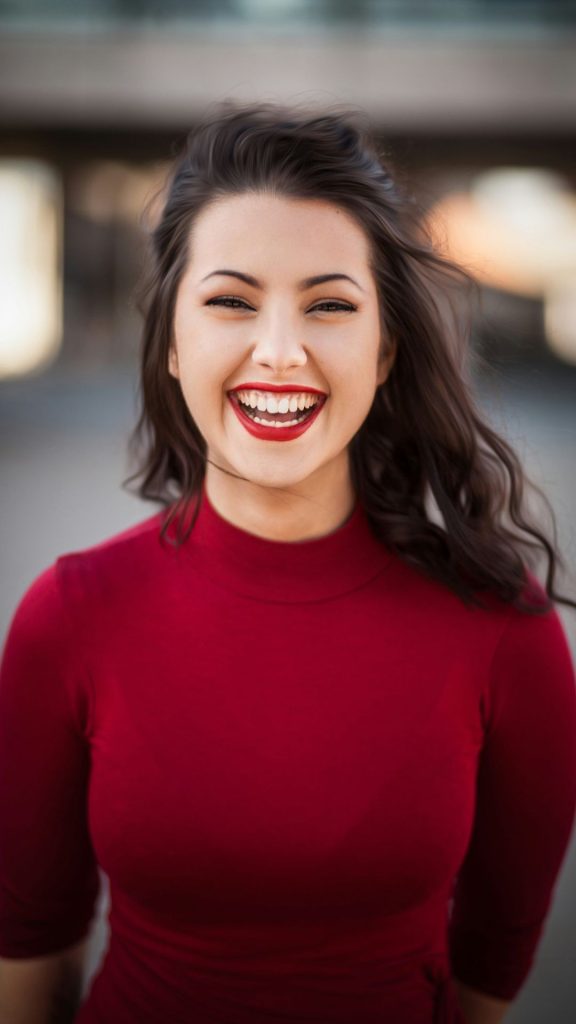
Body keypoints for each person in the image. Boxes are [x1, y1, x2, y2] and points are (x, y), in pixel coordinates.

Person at [1, 102, 575, 1024]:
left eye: (331, 306)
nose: (279, 352)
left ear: (385, 348)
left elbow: (487, 985)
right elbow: (27, 972)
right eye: (230, 301)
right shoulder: (68, 617)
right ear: (175, 338)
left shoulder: (506, 630)